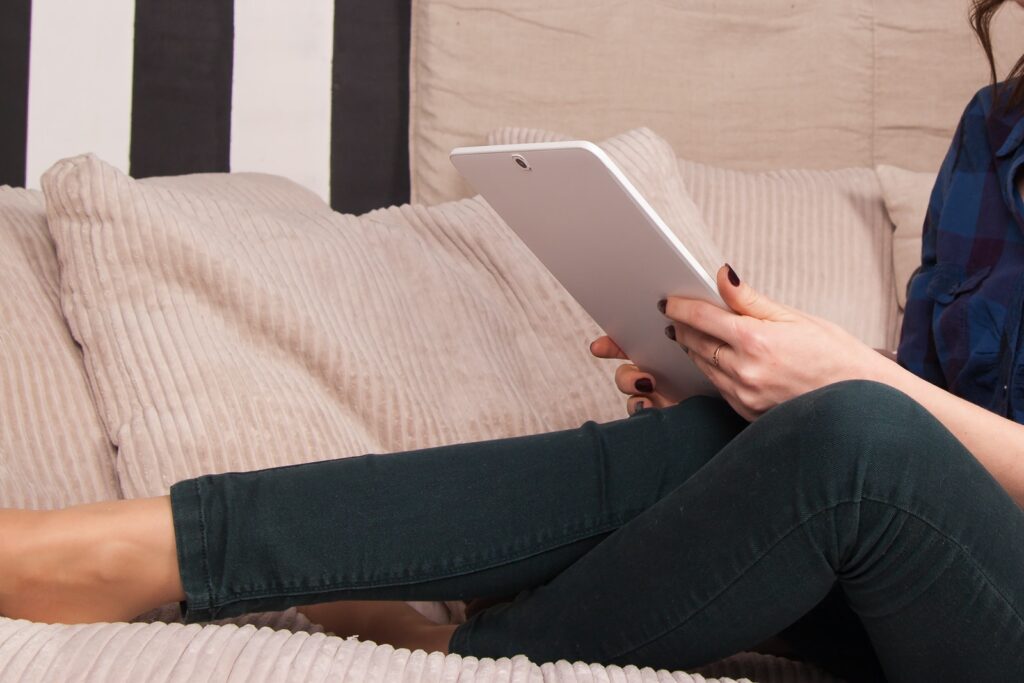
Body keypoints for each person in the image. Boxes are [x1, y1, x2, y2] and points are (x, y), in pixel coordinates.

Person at [3, 1, 1024, 680]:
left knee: (858, 437)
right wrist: (767, 393)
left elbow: (900, 440)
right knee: (737, 433)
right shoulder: (996, 127)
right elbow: (946, 455)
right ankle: (151, 546)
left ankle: (463, 646)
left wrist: (853, 386)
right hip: (952, 587)